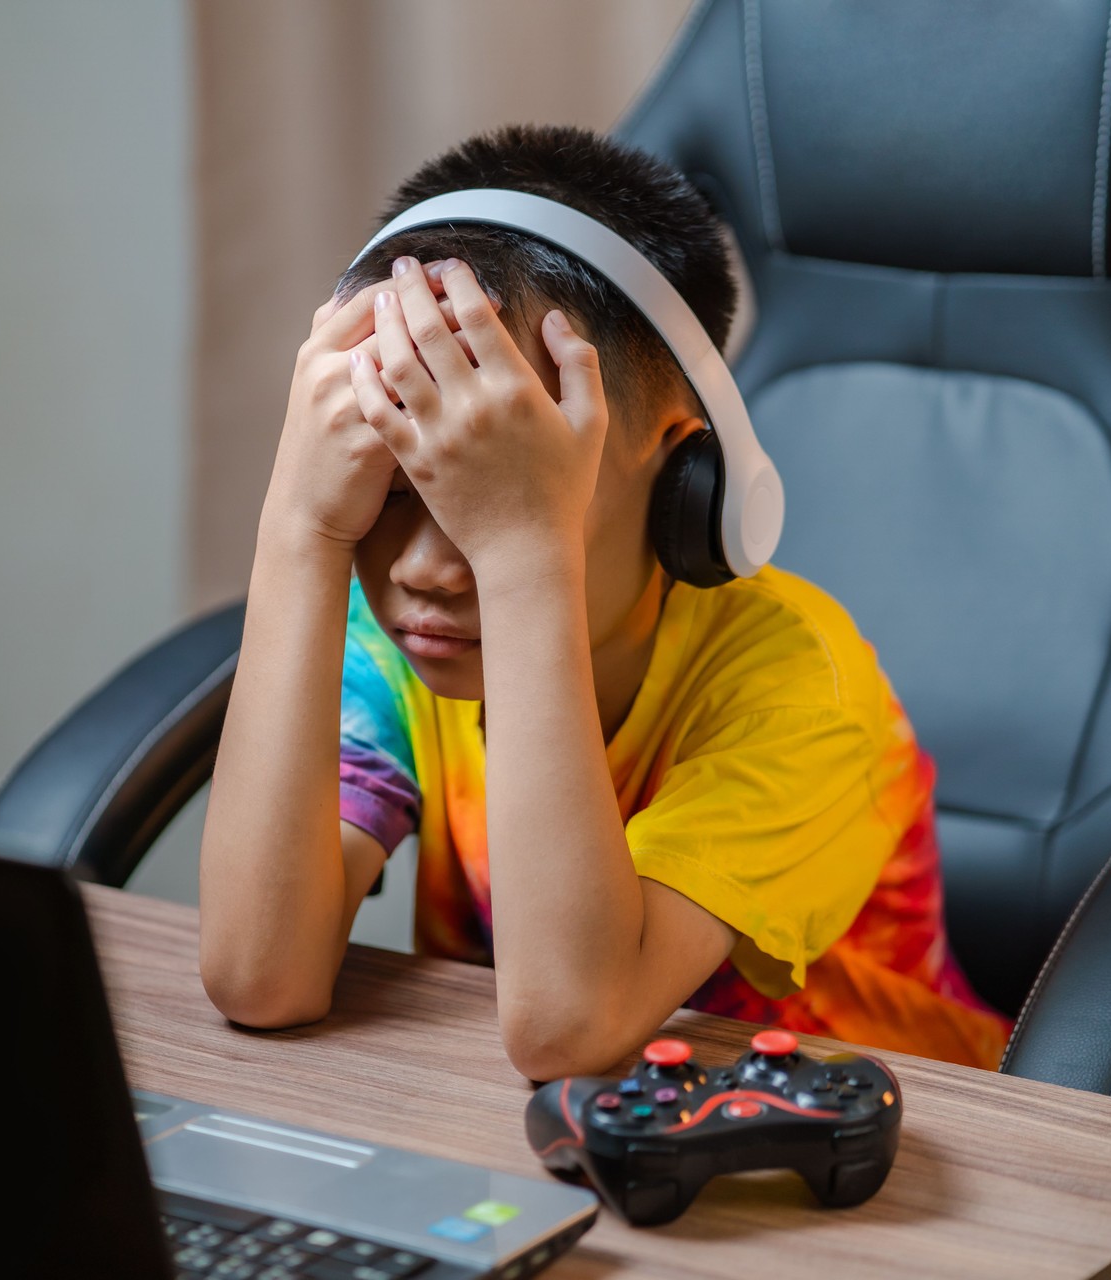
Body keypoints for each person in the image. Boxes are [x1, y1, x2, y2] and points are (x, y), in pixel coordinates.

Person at [198, 124, 1010, 1078]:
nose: (424, 567)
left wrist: (523, 549)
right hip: (539, 1144)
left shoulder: (801, 694)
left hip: (870, 1148)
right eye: (388, 488)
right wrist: (299, 524)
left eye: (490, 494)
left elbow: (569, 1029)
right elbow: (260, 976)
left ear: (685, 480)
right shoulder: (404, 644)